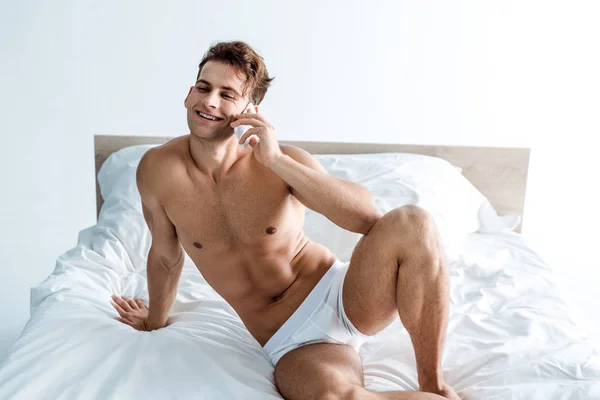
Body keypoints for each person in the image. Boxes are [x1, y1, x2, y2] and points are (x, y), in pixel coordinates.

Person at [110, 40, 459, 400]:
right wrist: (154, 322)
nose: (210, 101)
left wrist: (276, 160)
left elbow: (368, 219)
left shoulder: (282, 162)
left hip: (346, 296)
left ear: (250, 111)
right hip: (292, 341)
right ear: (188, 95)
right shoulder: (157, 170)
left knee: (413, 222)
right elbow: (166, 256)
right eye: (204, 87)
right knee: (336, 397)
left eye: (227, 94)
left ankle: (432, 382)